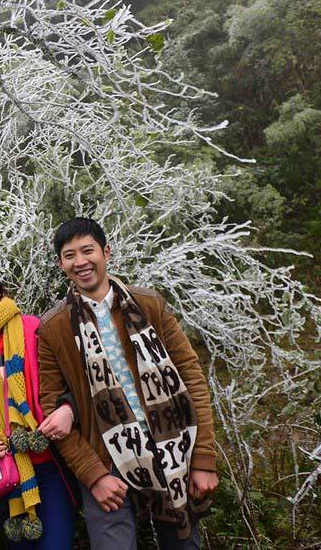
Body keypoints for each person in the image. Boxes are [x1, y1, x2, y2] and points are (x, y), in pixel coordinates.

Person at [37, 218, 220, 550]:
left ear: (106, 252)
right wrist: (93, 475)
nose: (80, 262)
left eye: (87, 250)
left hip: (171, 446)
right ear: (60, 264)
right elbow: (52, 413)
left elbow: (191, 378)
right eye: (69, 255)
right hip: (106, 459)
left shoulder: (149, 305)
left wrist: (203, 458)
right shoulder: (53, 328)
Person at [0, 264, 77, 549]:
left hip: (49, 462)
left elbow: (72, 380)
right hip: (1, 468)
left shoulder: (35, 329)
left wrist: (67, 409)